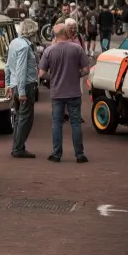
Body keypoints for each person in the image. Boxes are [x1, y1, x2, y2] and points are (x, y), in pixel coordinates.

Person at [39, 24, 90, 163]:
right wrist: (76, 75)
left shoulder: (49, 51)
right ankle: (79, 154)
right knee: (75, 124)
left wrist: (53, 77)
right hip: (73, 91)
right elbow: (86, 69)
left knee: (56, 123)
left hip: (57, 92)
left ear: (55, 35)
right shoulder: (77, 49)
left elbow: (42, 73)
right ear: (66, 33)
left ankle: (57, 154)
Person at [5, 19, 39, 158]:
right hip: (24, 85)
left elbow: (8, 65)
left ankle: (17, 145)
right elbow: (21, 69)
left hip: (15, 84)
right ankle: (18, 147)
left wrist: (8, 83)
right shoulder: (25, 47)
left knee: (19, 117)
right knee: (26, 118)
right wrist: (23, 92)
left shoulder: (14, 43)